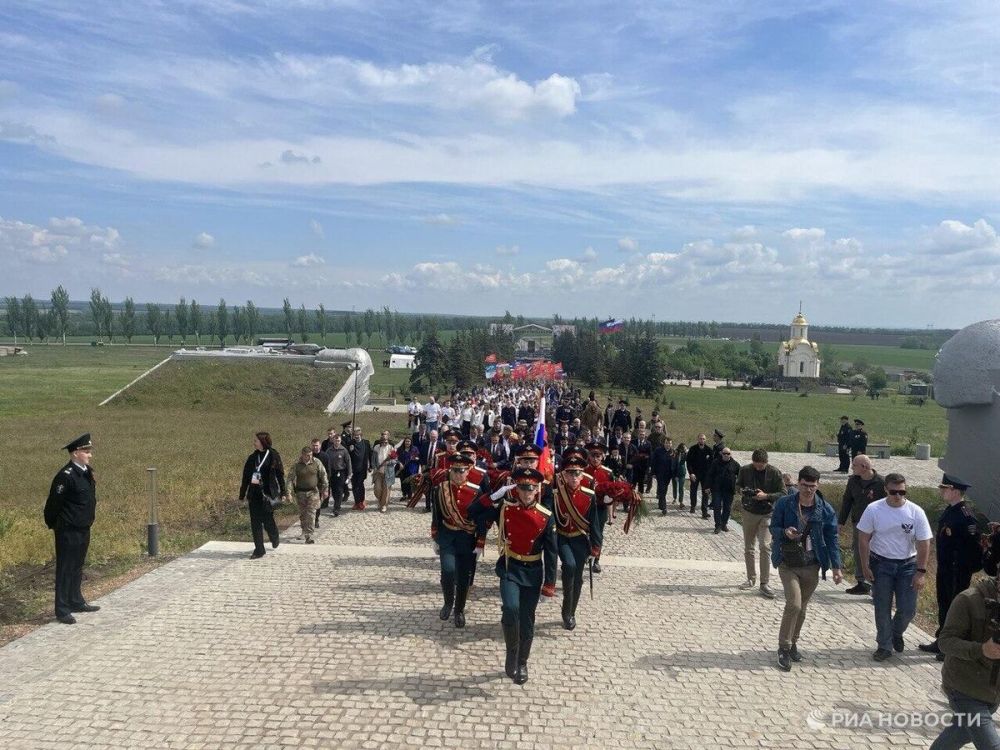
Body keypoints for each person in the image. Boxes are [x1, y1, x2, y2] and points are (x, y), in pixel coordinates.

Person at [470, 467, 556, 684]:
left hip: (532, 571)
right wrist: (494, 496)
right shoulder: (505, 510)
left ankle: (522, 661)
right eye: (522, 488)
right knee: (510, 608)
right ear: (516, 490)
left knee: (527, 619)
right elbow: (473, 512)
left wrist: (549, 585)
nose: (526, 493)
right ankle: (511, 653)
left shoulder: (546, 516)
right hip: (510, 567)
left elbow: (551, 553)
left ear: (537, 490)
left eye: (530, 488)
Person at [930, 528, 1000, 750]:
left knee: (957, 734)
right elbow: (945, 642)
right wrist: (982, 649)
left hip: (992, 694)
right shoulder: (969, 600)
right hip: (964, 687)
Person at [769, 466, 844, 671]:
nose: (808, 489)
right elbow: (773, 527)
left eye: (812, 486)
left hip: (811, 565)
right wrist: (785, 532)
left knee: (802, 608)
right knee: (794, 604)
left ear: (818, 485)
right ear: (798, 483)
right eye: (804, 485)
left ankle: (793, 642)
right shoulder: (785, 503)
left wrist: (836, 567)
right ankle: (783, 648)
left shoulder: (825, 509)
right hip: (788, 562)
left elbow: (832, 538)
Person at [857, 472, 933, 661]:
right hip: (880, 563)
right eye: (893, 492)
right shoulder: (874, 509)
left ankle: (895, 632)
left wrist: (921, 572)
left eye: (902, 492)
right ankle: (884, 645)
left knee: (908, 609)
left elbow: (924, 542)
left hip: (907, 565)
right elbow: (863, 538)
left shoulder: (916, 512)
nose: (898, 495)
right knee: (882, 606)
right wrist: (865, 566)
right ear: (885, 489)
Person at [920, 474, 983, 660]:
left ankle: (949, 647)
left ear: (955, 491)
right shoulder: (950, 510)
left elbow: (974, 546)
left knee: (954, 607)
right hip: (946, 567)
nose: (941, 491)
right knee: (943, 603)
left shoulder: (966, 515)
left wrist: (967, 568)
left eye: (944, 488)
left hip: (958, 569)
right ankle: (941, 640)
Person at [44, 433, 100, 624]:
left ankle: (76, 601)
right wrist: (56, 525)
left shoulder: (86, 472)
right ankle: (62, 609)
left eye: (89, 451)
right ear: (75, 453)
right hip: (68, 530)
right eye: (86, 451)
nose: (90, 455)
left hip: (83, 527)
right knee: (65, 568)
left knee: (77, 566)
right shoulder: (65, 476)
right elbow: (53, 505)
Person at [432, 454, 485, 629]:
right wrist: (435, 536)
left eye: (461, 471)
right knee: (448, 571)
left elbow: (481, 520)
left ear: (468, 471)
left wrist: (480, 542)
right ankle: (448, 602)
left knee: (463, 577)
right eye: (454, 470)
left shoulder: (476, 492)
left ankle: (459, 609)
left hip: (466, 539)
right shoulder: (441, 489)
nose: (457, 474)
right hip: (447, 536)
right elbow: (436, 514)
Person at [553, 454, 602, 630]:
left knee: (578, 578)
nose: (574, 477)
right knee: (570, 565)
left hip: (580, 539)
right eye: (570, 473)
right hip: (563, 538)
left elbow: (594, 523)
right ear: (564, 475)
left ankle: (570, 612)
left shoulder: (589, 496)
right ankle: (567, 608)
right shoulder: (557, 495)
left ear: (582, 476)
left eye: (577, 474)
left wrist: (596, 546)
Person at [735, 448, 785, 598]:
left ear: (766, 462)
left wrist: (766, 496)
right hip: (749, 511)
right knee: (749, 547)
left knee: (765, 546)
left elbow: (783, 493)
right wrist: (742, 491)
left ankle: (764, 583)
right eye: (755, 465)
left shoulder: (775, 473)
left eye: (761, 466)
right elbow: (737, 485)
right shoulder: (745, 470)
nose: (758, 468)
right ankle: (751, 578)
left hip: (767, 513)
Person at [838, 454, 885, 595]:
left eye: (854, 465)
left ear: (864, 467)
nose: (852, 467)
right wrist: (841, 522)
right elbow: (847, 501)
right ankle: (861, 582)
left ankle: (877, 583)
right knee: (859, 550)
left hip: (878, 524)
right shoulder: (853, 481)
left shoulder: (881, 483)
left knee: (876, 552)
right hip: (859, 522)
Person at [238, 432, 288, 560]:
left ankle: (274, 536)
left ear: (263, 442)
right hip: (254, 494)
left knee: (267, 520)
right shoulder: (252, 458)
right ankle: (259, 550)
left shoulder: (273, 455)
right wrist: (242, 495)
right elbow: (245, 477)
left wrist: (283, 492)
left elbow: (280, 474)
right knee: (255, 522)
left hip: (268, 494)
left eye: (256, 440)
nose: (254, 442)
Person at [286, 446, 328, 544]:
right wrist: (288, 493)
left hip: (313, 492)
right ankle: (304, 531)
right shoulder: (297, 464)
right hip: (300, 493)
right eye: (306, 455)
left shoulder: (316, 462)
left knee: (311, 513)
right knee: (303, 514)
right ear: (302, 455)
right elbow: (290, 479)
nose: (308, 457)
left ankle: (309, 535)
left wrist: (325, 489)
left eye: (310, 455)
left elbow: (324, 475)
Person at [707, 447, 740, 534]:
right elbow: (710, 475)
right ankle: (718, 525)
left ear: (730, 454)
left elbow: (740, 475)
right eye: (724, 453)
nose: (726, 455)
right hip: (717, 489)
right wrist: (707, 486)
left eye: (728, 454)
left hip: (729, 490)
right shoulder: (715, 462)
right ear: (721, 454)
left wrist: (739, 486)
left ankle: (724, 523)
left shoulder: (735, 464)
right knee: (717, 507)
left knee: (727, 508)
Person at [686, 433, 713, 518]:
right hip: (695, 474)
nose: (702, 440)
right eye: (700, 438)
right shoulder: (692, 449)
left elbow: (712, 464)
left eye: (703, 439)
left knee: (705, 493)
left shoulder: (709, 450)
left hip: (705, 475)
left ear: (705, 440)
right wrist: (691, 473)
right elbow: (688, 462)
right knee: (693, 490)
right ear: (698, 439)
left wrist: (710, 475)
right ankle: (693, 506)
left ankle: (704, 512)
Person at [347, 426, 373, 510]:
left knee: (360, 485)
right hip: (353, 468)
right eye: (355, 435)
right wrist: (350, 450)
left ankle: (361, 501)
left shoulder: (366, 443)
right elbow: (347, 456)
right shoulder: (350, 443)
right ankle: (356, 502)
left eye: (358, 435)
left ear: (361, 434)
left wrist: (371, 466)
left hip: (362, 468)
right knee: (354, 485)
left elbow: (370, 454)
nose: (356, 437)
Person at [371, 430, 396, 513]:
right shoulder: (376, 447)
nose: (384, 442)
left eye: (386, 441)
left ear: (388, 440)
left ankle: (383, 505)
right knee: (377, 489)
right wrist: (374, 468)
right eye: (383, 441)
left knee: (386, 489)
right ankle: (380, 501)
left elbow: (395, 461)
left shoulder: (391, 448)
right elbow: (373, 460)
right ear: (380, 440)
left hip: (388, 472)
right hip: (378, 472)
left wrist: (388, 463)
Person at [311, 438, 332, 528]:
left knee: (317, 503)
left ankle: (316, 520)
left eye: (317, 445)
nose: (315, 447)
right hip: (309, 484)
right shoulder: (308, 456)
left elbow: (328, 471)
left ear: (320, 446)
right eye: (313, 445)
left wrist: (326, 486)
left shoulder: (325, 456)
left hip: (319, 484)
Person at [650, 440, 674, 515]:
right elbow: (653, 461)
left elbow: (675, 463)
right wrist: (653, 473)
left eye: (669, 443)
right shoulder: (658, 450)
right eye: (666, 443)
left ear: (671, 444)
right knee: (662, 488)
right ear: (664, 443)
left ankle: (660, 504)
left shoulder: (673, 452)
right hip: (659, 473)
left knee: (664, 489)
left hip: (668, 474)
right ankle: (664, 507)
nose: (668, 445)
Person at [672, 442, 687, 507]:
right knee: (674, 486)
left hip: (682, 473)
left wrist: (686, 453)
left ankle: (681, 501)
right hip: (675, 473)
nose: (684, 449)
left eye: (685, 448)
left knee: (681, 487)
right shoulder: (675, 454)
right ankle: (674, 498)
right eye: (683, 448)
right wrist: (675, 475)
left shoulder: (685, 454)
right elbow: (673, 464)